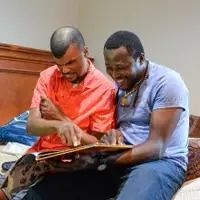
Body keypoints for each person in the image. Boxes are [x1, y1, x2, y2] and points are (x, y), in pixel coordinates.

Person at [5, 30, 189, 200]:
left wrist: (100, 160)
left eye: (121, 67)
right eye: (109, 68)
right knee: (47, 192)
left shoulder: (167, 82)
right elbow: (119, 128)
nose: (115, 75)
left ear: (140, 58)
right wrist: (113, 137)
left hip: (159, 162)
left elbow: (156, 147)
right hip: (120, 159)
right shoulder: (120, 87)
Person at [0, 26, 116, 200]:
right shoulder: (48, 76)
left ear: (85, 51)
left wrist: (64, 120)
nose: (65, 71)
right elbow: (31, 126)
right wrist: (58, 125)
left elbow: (97, 144)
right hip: (41, 156)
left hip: (76, 164)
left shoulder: (104, 89)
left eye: (70, 63)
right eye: (59, 65)